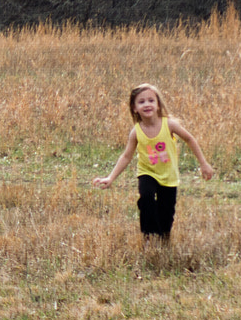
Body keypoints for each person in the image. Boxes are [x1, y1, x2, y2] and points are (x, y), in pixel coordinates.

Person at [92, 83, 214, 244]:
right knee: (146, 198)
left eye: (151, 100)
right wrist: (110, 178)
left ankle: (163, 239)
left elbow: (190, 139)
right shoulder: (136, 132)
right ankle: (148, 236)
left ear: (158, 105)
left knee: (166, 212)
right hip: (147, 172)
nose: (147, 104)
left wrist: (203, 163)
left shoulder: (169, 124)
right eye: (141, 102)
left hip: (169, 175)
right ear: (134, 108)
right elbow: (126, 156)